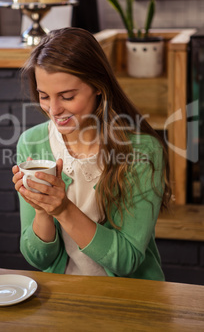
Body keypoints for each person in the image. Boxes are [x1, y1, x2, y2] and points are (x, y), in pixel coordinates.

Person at [12, 27, 171, 280]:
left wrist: (62, 209)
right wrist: (42, 209)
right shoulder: (32, 144)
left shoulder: (141, 150)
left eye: (67, 96)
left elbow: (127, 261)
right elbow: (39, 259)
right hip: (65, 295)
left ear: (98, 86)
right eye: (44, 96)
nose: (53, 110)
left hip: (131, 299)